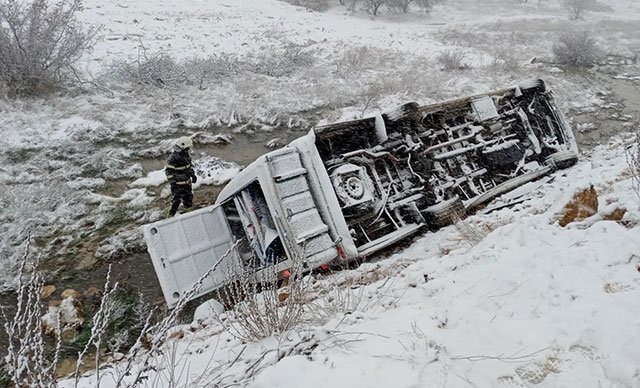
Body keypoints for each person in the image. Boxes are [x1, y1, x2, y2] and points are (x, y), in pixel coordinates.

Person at [165, 136, 197, 217]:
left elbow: (189, 166)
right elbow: (169, 171)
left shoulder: (186, 155)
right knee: (176, 201)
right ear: (182, 147)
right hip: (177, 184)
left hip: (187, 182)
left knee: (188, 198)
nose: (188, 150)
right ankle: (169, 217)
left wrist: (193, 175)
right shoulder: (173, 157)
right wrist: (173, 183)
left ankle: (188, 212)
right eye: (187, 148)